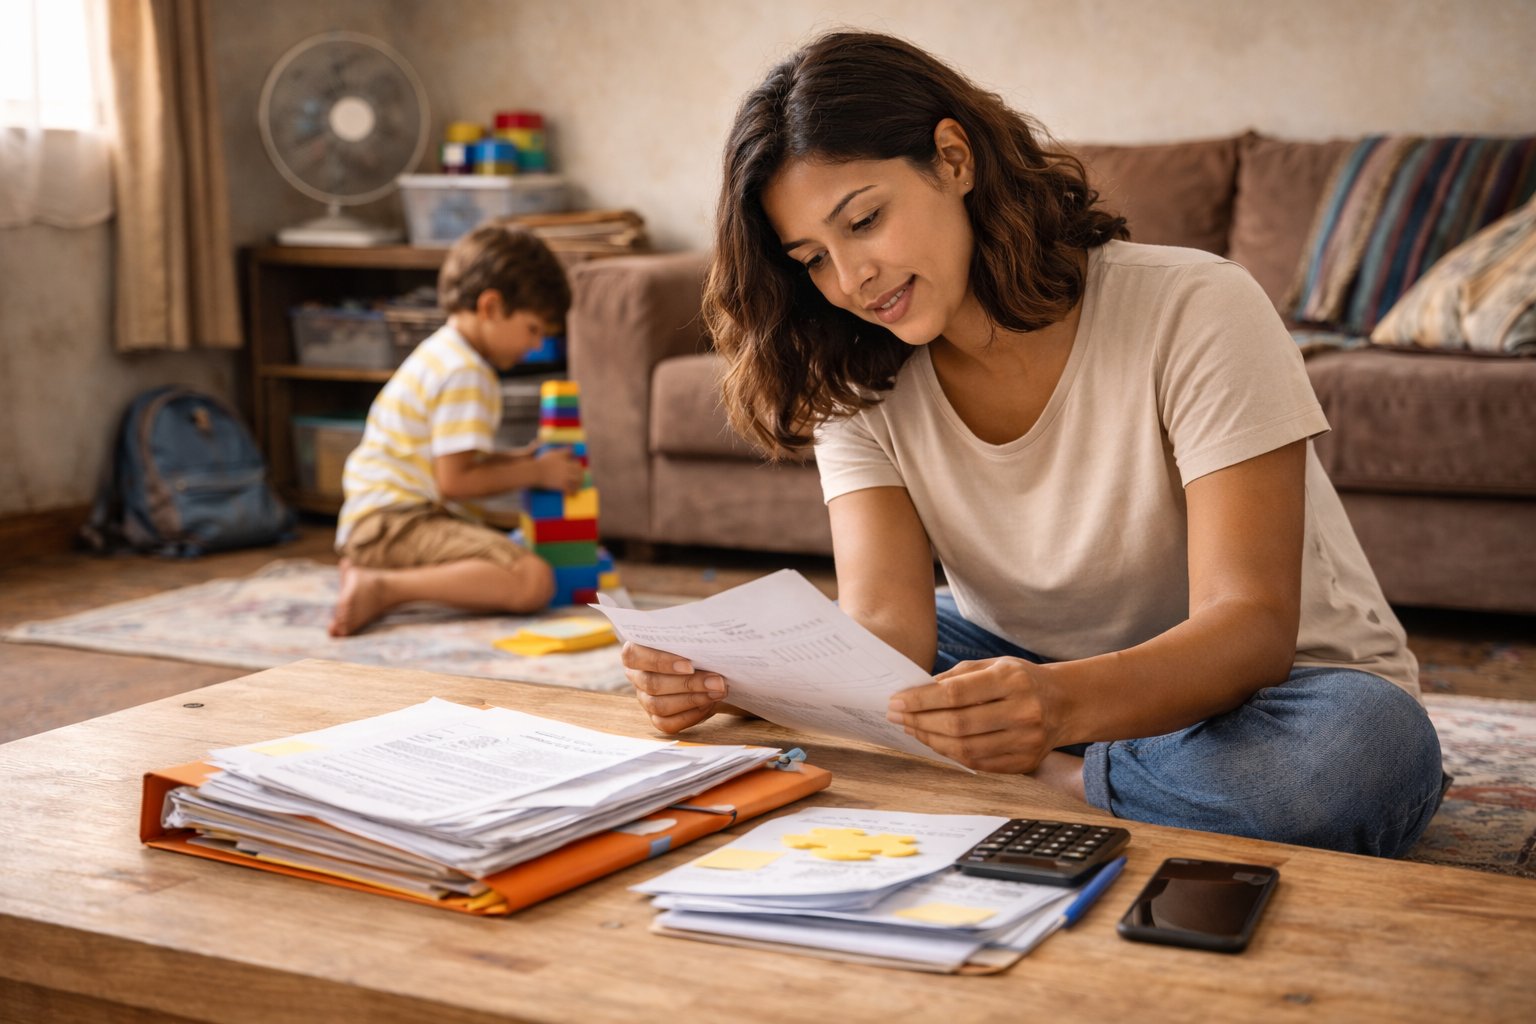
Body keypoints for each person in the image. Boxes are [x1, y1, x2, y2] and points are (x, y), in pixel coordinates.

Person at [621, 31, 1448, 857]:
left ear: (953, 159)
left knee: (1356, 759)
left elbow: (1249, 629)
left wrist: (1053, 711)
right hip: (1032, 656)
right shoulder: (856, 374)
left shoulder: (1197, 306)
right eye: (813, 259)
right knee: (858, 650)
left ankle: (1064, 776)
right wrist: (728, 685)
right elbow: (889, 629)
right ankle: (1124, 767)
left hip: (1278, 685)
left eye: (865, 220)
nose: (851, 280)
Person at [329, 222, 585, 637]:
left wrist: (518, 459)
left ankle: (374, 574)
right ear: (490, 307)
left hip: (377, 523)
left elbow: (454, 460)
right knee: (532, 579)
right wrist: (537, 472)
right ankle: (382, 587)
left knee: (510, 551)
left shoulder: (443, 352)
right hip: (400, 523)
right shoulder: (467, 372)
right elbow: (456, 480)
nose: (534, 347)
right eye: (533, 330)